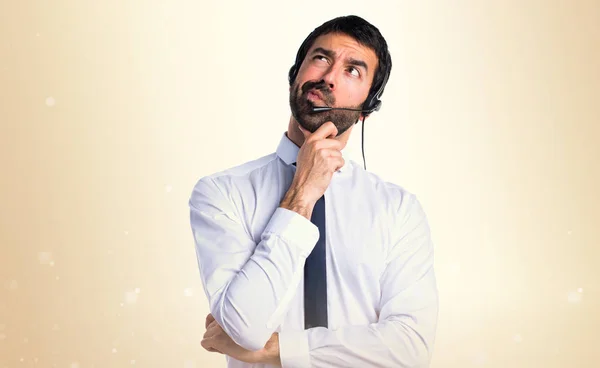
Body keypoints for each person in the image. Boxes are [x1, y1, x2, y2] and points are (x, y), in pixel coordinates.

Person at [189, 15, 439, 367]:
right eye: (321, 58)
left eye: (353, 70)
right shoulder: (221, 193)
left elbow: (409, 348)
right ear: (296, 75)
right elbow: (244, 327)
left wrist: (277, 349)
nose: (329, 77)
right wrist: (302, 193)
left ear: (367, 108)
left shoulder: (398, 209)